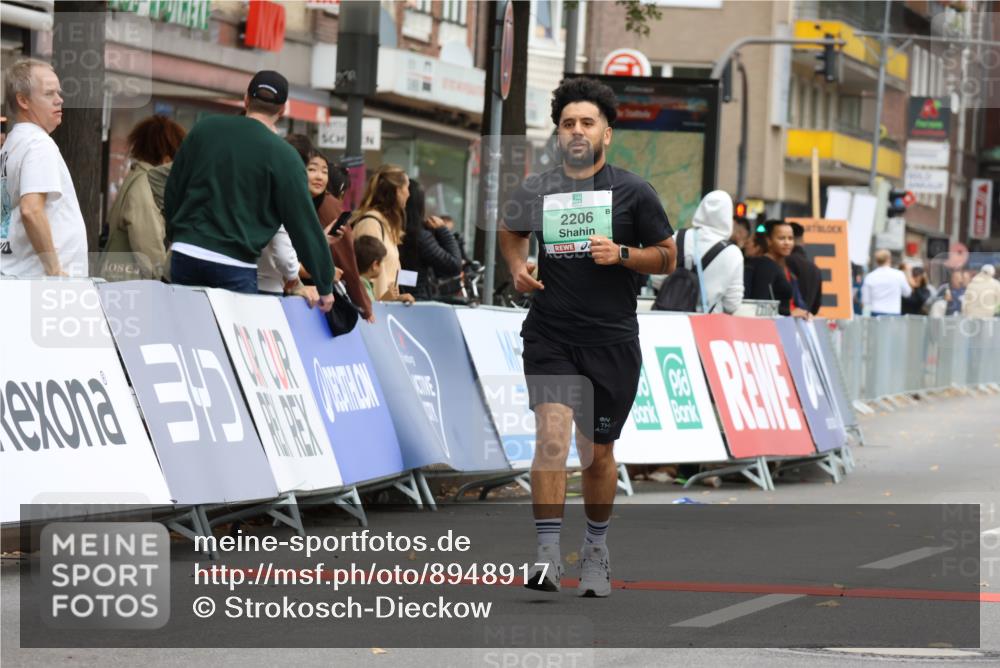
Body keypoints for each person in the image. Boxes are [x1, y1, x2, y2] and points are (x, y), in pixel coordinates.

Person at [500, 77, 677, 598]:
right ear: (558, 134)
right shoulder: (538, 189)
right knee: (551, 439)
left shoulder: (633, 191)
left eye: (586, 123)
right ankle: (548, 555)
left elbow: (668, 255)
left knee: (596, 454)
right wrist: (516, 267)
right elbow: (512, 231)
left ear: (606, 133)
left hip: (611, 339)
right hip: (551, 333)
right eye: (567, 124)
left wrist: (623, 254)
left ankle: (596, 548)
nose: (576, 131)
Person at [163, 70, 334, 311]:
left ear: (245, 99)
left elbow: (174, 189)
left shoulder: (205, 129)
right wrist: (324, 283)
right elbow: (303, 224)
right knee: (233, 344)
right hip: (235, 262)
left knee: (189, 335)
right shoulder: (284, 156)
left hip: (187, 251)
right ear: (283, 110)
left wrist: (175, 233)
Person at [1, 58, 87, 277]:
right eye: (49, 94)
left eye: (59, 93)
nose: (59, 100)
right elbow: (31, 209)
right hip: (41, 285)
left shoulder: (12, 143)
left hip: (20, 276)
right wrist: (55, 270)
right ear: (23, 100)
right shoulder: (38, 144)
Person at [100, 115, 186, 281]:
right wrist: (164, 280)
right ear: (166, 159)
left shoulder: (135, 177)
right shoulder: (146, 185)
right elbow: (149, 245)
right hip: (130, 286)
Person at [350, 164, 413, 304]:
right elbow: (368, 273)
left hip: (386, 308)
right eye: (407, 187)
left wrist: (396, 298)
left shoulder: (387, 225)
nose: (409, 193)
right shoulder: (371, 224)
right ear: (397, 191)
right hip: (375, 313)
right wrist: (382, 301)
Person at [673, 190, 744, 314]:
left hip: (670, 318)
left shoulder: (677, 237)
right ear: (728, 216)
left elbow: (657, 280)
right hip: (709, 325)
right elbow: (732, 304)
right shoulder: (733, 253)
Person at [399, 179, 463, 300]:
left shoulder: (392, 229)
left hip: (395, 297)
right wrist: (443, 230)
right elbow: (454, 265)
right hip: (416, 301)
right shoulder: (418, 236)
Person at [743, 221, 808, 318]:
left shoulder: (779, 266)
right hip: (767, 328)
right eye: (781, 238)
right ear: (769, 240)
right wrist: (790, 313)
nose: (787, 243)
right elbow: (760, 304)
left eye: (790, 238)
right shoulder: (765, 266)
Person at [861, 249, 911, 316]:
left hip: (875, 312)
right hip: (894, 312)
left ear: (877, 261)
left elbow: (865, 300)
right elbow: (907, 293)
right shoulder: (899, 275)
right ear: (889, 259)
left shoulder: (870, 277)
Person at [786, 225, 823, 315]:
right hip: (805, 322)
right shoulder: (815, 269)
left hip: (786, 320)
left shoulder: (785, 261)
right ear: (803, 242)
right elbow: (816, 307)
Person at [355, 235, 387, 303]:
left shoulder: (356, 283)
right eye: (382, 262)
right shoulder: (364, 289)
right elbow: (372, 311)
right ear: (375, 265)